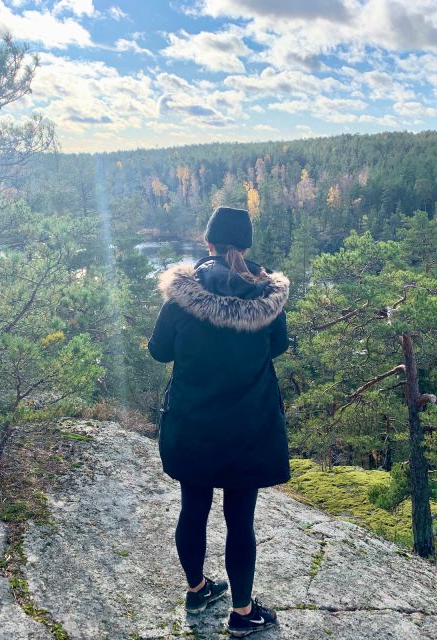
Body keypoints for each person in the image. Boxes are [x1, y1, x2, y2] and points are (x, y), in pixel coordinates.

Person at [148, 206, 291, 637]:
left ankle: (197, 589)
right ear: (245, 246)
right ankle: (243, 614)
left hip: (193, 425)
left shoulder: (181, 296)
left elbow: (159, 352)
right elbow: (278, 347)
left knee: (193, 508)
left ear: (207, 242)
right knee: (240, 519)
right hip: (248, 428)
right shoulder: (267, 297)